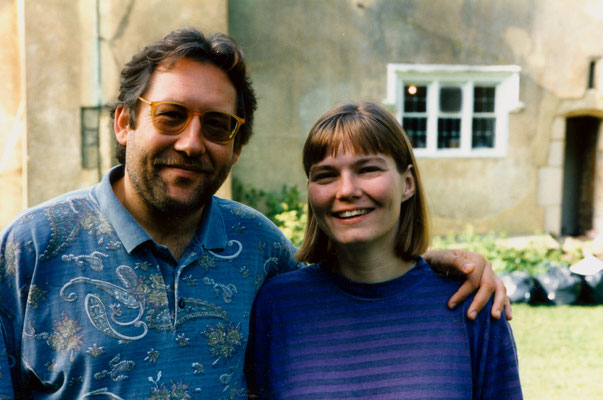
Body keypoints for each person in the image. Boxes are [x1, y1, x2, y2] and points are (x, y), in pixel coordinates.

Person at [0, 28, 507, 399]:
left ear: (235, 149)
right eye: (171, 116)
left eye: (218, 126)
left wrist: (438, 263)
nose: (192, 143)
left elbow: (352, 295)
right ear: (124, 122)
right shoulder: (33, 246)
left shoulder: (258, 250)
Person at [246, 102, 523, 399]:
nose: (346, 190)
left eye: (367, 170)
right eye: (325, 175)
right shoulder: (276, 307)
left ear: (407, 183)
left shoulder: (472, 304)